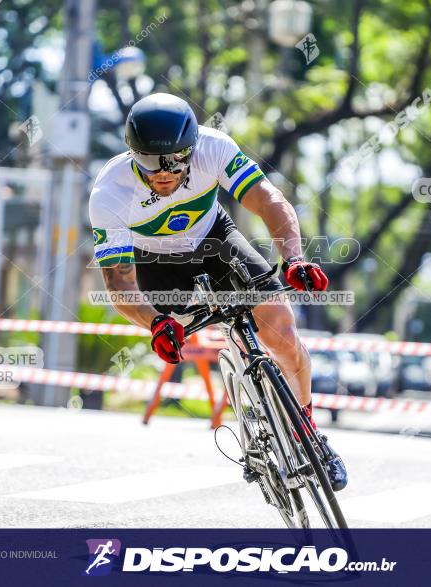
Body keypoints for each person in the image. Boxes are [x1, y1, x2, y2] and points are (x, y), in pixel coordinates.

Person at [89, 93, 347, 491]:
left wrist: (293, 257)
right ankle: (251, 421)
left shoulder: (214, 147)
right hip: (156, 262)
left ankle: (306, 429)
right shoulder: (110, 193)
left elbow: (268, 200)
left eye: (175, 159)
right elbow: (119, 283)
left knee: (281, 328)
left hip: (215, 238)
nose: (162, 172)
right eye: (148, 161)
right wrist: (156, 323)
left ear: (191, 148)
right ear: (131, 153)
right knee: (177, 327)